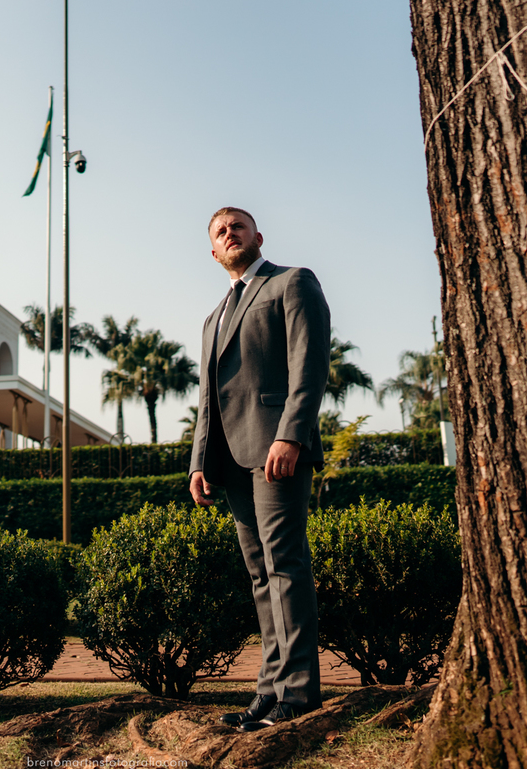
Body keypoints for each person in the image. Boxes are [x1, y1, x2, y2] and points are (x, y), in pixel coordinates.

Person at [189, 206, 330, 731]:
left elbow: (309, 363)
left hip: (276, 450)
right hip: (229, 461)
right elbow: (208, 397)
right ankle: (269, 692)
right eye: (221, 232)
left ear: (257, 236)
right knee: (259, 575)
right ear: (214, 252)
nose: (230, 235)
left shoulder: (292, 282)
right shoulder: (213, 317)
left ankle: (298, 693)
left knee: (285, 565)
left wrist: (291, 433)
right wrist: (199, 461)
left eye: (238, 226)